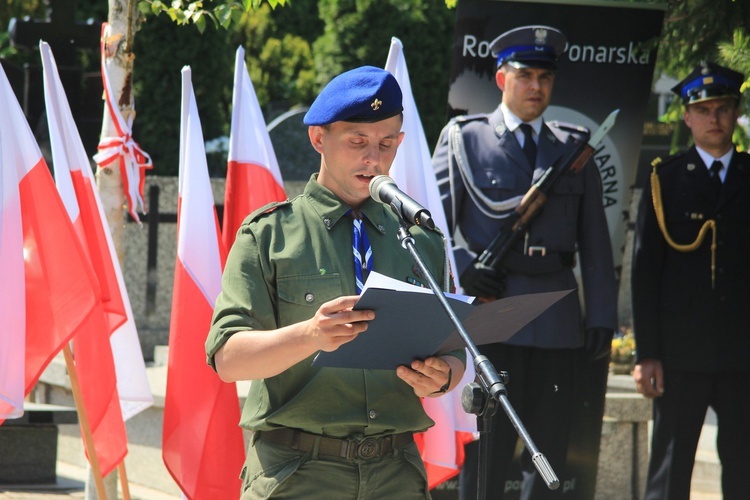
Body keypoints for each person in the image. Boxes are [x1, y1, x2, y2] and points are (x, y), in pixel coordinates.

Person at [206, 65, 466, 499]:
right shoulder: (269, 236)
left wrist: (442, 377)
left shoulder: (422, 240)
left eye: (386, 144)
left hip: (395, 474)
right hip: (298, 473)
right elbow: (228, 359)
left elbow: (453, 350)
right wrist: (311, 334)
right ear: (318, 139)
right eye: (357, 142)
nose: (373, 158)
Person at [432, 25, 618, 499]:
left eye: (545, 77)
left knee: (551, 451)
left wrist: (600, 316)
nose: (536, 86)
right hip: (492, 314)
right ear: (501, 78)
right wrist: (463, 268)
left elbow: (596, 244)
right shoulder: (465, 140)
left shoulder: (573, 148)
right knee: (490, 450)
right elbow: (429, 230)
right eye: (525, 75)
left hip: (557, 316)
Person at [631, 61, 750, 500]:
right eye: (703, 109)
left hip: (743, 355)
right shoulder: (666, 179)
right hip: (681, 355)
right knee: (669, 472)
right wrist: (648, 354)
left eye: (722, 107)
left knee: (745, 470)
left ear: (736, 112)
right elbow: (646, 273)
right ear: (686, 116)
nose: (714, 118)